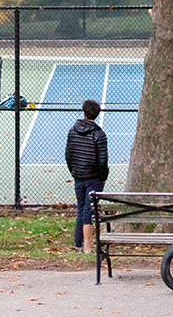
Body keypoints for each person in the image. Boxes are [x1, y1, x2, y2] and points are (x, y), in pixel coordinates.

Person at [65, 99, 109, 253]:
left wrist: (74, 171)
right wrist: (103, 177)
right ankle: (88, 248)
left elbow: (68, 155)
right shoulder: (99, 135)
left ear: (84, 113)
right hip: (94, 178)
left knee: (81, 209)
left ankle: (79, 244)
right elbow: (102, 160)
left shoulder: (73, 131)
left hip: (79, 176)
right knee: (88, 211)